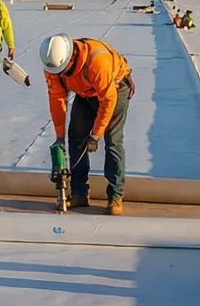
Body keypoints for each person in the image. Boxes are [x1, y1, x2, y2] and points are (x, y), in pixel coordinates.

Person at [41, 33, 134, 214]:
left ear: (71, 57)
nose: (59, 74)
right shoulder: (53, 64)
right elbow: (56, 98)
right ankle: (79, 193)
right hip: (85, 92)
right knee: (75, 137)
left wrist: (96, 134)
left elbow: (107, 100)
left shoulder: (97, 61)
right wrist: (59, 136)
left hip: (114, 88)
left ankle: (115, 196)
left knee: (112, 141)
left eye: (62, 70)